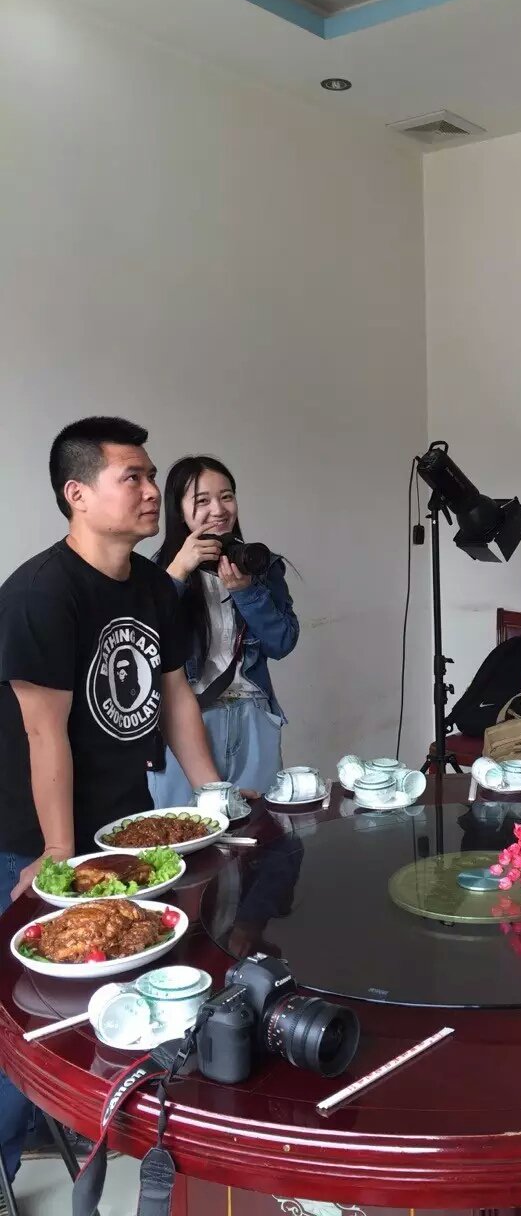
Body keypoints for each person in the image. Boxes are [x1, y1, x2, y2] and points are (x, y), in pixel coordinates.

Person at [0, 417, 224, 1200]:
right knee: (32, 1020)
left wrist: (214, 797)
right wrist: (60, 854)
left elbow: (176, 697)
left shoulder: (155, 588)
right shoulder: (40, 592)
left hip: (121, 828)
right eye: (133, 476)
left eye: (151, 474)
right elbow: (44, 731)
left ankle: (105, 1136)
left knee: (123, 985)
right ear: (78, 493)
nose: (151, 490)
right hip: (32, 837)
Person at [147, 456, 298, 806]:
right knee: (185, 828)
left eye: (226, 496)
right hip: (187, 722)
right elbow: (145, 644)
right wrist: (177, 574)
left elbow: (282, 642)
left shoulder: (261, 566)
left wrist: (247, 593)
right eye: (202, 500)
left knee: (259, 828)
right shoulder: (155, 573)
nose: (218, 509)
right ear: (179, 510)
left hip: (254, 716)